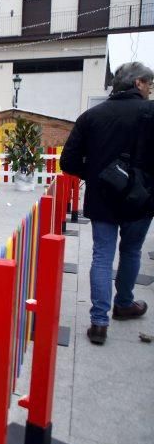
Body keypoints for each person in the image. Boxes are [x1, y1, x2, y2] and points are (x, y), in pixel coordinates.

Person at [60, 61, 154, 345]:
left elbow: (68, 162)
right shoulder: (151, 113)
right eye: (149, 83)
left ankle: (98, 321)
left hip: (102, 198)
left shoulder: (91, 116)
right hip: (142, 198)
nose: (150, 89)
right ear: (138, 83)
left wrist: (100, 173)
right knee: (131, 251)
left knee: (102, 255)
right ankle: (124, 303)